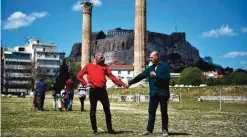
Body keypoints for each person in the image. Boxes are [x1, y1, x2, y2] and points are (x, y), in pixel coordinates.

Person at [77, 52, 128, 134]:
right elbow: (79, 75)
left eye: (103, 57)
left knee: (107, 110)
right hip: (93, 91)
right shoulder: (88, 66)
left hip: (103, 91)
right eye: (101, 57)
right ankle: (95, 130)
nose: (103, 59)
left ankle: (110, 129)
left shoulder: (104, 67)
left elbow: (112, 77)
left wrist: (122, 84)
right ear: (96, 57)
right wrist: (86, 83)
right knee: (93, 111)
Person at [128, 51, 170, 136]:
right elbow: (141, 76)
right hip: (153, 94)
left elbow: (167, 78)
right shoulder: (150, 68)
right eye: (150, 57)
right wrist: (129, 83)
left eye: (151, 57)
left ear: (157, 57)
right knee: (151, 112)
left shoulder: (165, 66)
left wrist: (156, 76)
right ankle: (149, 130)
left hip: (163, 93)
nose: (150, 59)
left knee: (164, 112)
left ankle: (165, 130)